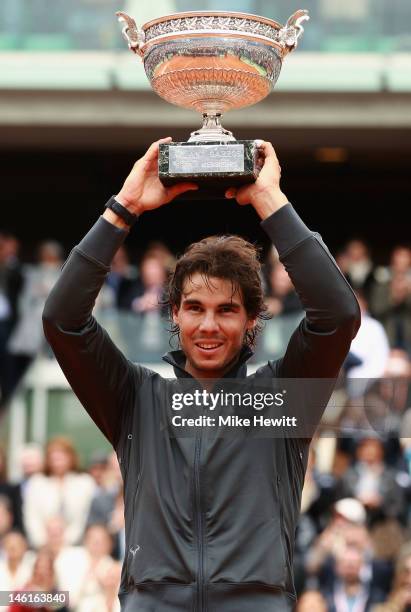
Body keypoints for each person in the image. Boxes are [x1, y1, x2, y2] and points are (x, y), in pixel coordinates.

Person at [42, 137, 361, 611]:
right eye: (194, 307)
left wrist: (269, 199)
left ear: (252, 320)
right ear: (174, 313)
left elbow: (337, 315)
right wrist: (124, 207)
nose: (208, 325)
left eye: (226, 310)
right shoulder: (135, 398)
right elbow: (62, 320)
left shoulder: (281, 398)